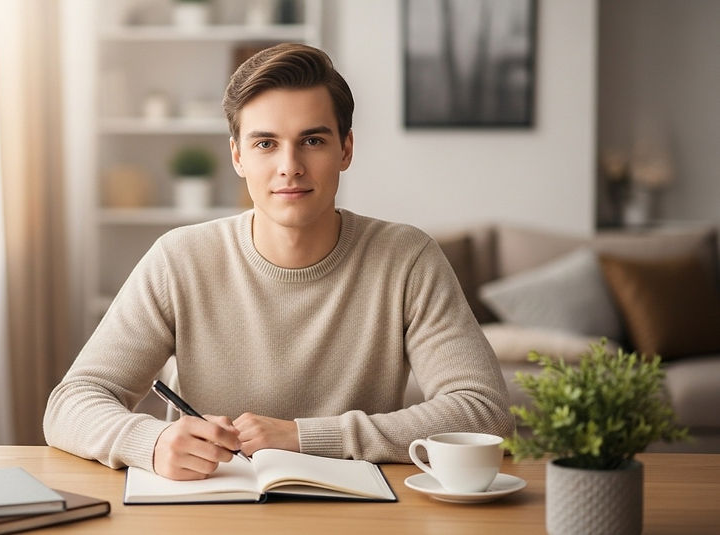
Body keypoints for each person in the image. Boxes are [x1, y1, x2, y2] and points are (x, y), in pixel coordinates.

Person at [44, 43, 512, 481]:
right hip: (211, 508)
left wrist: (306, 437)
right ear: (238, 156)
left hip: (355, 511)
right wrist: (152, 441)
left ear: (346, 149)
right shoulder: (179, 258)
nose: (290, 165)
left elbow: (484, 411)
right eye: (266, 143)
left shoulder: (408, 258)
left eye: (312, 141)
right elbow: (71, 403)